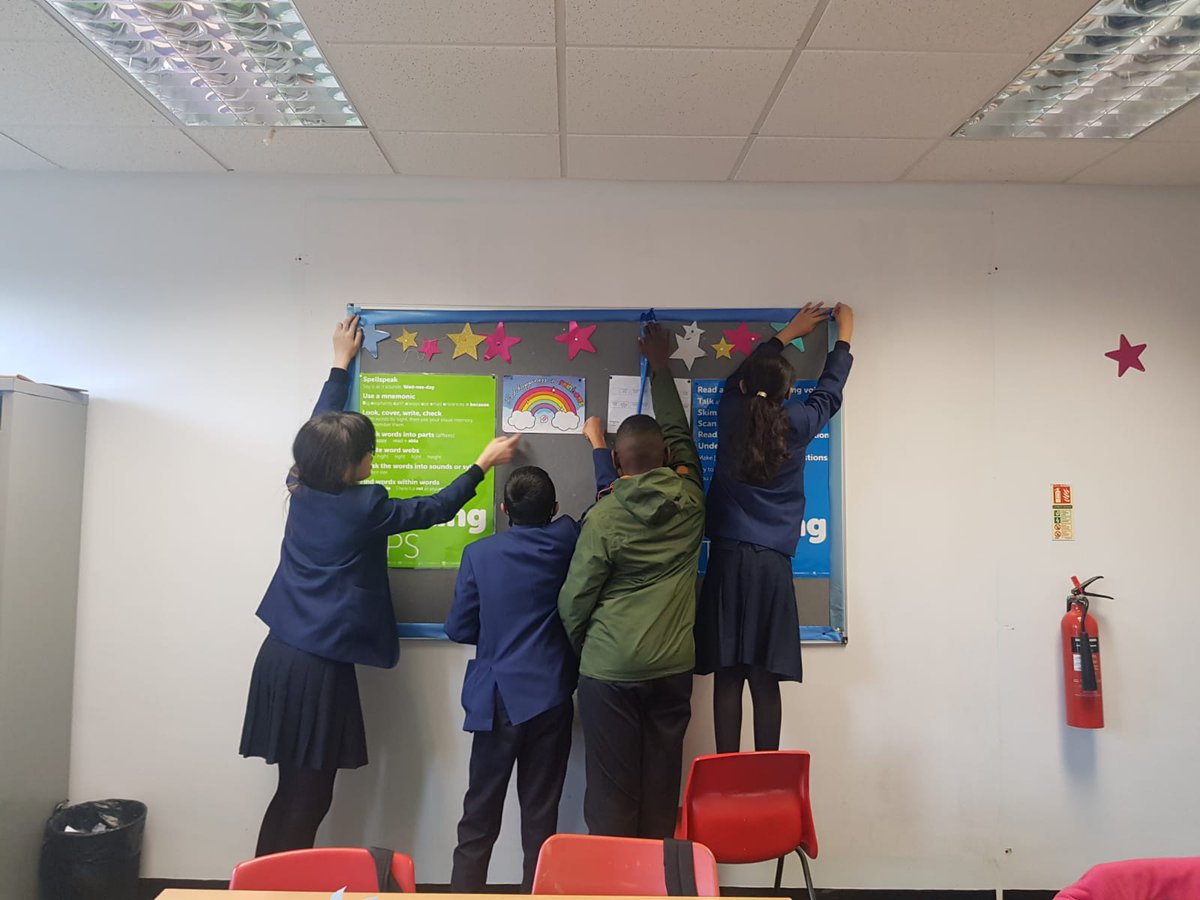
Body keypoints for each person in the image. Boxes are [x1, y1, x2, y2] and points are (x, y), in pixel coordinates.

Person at [240, 314, 519, 857]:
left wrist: (340, 364)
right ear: (347, 466)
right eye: (367, 452)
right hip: (316, 668)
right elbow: (435, 509)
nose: (373, 458)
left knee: (291, 794)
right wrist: (482, 463)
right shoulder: (362, 507)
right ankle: (277, 891)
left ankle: (261, 887)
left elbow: (319, 427)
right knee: (309, 798)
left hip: (281, 655)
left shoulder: (301, 484)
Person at [444, 434, 616, 892]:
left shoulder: (479, 554)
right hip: (550, 699)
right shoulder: (568, 541)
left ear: (504, 510)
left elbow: (459, 628)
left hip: (496, 700)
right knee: (541, 818)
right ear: (555, 506)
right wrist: (600, 447)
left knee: (479, 815)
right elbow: (608, 501)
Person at [557, 322, 705, 840]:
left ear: (617, 463)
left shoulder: (602, 518)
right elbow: (681, 436)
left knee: (612, 795)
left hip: (610, 668)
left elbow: (575, 600)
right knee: (662, 791)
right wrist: (660, 366)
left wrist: (588, 649)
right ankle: (659, 884)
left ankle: (612, 884)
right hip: (671, 668)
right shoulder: (691, 500)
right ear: (666, 458)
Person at [696, 302, 854, 753]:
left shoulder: (730, 414)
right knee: (765, 679)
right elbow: (829, 393)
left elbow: (738, 379)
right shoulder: (799, 423)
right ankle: (765, 777)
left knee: (728, 676)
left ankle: (726, 775)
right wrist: (843, 337)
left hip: (727, 562)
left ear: (746, 388)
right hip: (771, 568)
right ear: (788, 395)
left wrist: (786, 334)